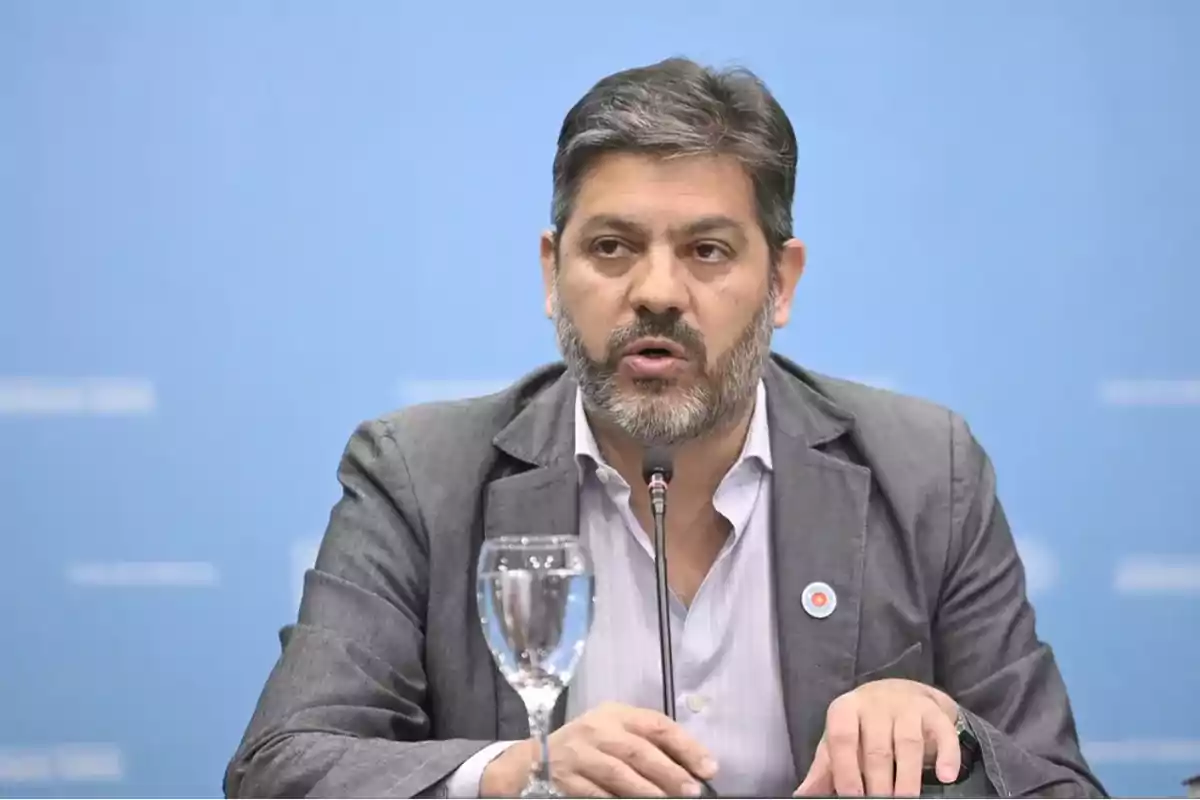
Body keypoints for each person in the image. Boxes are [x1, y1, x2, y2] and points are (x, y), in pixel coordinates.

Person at [224, 57, 1105, 799]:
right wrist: (512, 775)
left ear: (781, 283)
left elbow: (1059, 783)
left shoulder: (925, 471)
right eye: (611, 247)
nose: (655, 292)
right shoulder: (421, 476)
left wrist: (946, 731)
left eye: (707, 251)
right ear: (551, 270)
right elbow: (282, 765)